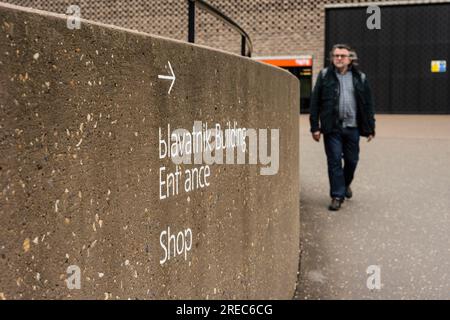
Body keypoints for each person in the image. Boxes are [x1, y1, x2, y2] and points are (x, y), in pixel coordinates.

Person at [309, 44, 376, 211]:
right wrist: (314, 127)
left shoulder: (360, 78)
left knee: (352, 161)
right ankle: (337, 195)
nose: (339, 58)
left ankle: (345, 184)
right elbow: (315, 102)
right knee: (334, 161)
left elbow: (368, 104)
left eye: (342, 56)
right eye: (336, 55)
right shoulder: (325, 76)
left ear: (350, 59)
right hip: (332, 128)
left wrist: (370, 127)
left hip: (352, 127)